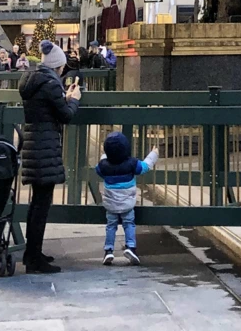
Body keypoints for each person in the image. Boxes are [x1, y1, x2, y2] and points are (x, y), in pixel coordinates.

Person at [18, 40, 82, 274]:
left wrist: (62, 98)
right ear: (58, 67)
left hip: (32, 143)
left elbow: (46, 107)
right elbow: (65, 116)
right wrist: (74, 100)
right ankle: (34, 258)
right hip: (45, 146)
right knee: (41, 205)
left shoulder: (31, 80)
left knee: (36, 203)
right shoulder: (51, 83)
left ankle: (32, 252)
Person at [96, 131, 158, 266]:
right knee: (129, 224)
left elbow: (99, 168)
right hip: (127, 204)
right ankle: (131, 247)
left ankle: (108, 251)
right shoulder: (132, 163)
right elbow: (145, 166)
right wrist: (154, 154)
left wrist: (105, 154)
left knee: (111, 226)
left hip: (110, 205)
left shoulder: (103, 166)